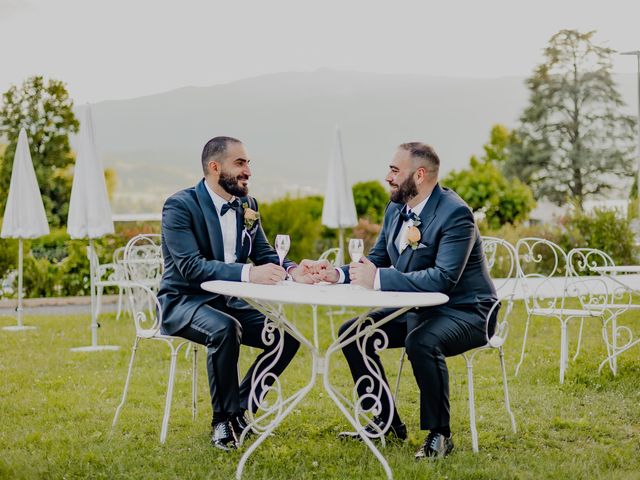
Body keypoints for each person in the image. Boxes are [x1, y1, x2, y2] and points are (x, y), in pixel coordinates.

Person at [310, 142, 498, 459]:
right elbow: (379, 259)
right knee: (353, 333)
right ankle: (385, 423)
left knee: (420, 341)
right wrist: (338, 274)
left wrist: (379, 280)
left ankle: (440, 434)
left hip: (467, 311)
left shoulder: (456, 214)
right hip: (419, 310)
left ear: (420, 175)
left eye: (395, 170)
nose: (388, 177)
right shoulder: (396, 208)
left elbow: (443, 278)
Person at [158, 136, 312, 451]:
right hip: (184, 302)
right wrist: (247, 273)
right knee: (226, 329)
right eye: (240, 163)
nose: (248, 171)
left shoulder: (247, 206)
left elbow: (266, 253)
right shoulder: (179, 206)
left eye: (248, 163)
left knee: (287, 338)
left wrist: (294, 270)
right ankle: (222, 421)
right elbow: (190, 266)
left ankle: (241, 410)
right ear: (215, 167)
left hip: (227, 302)